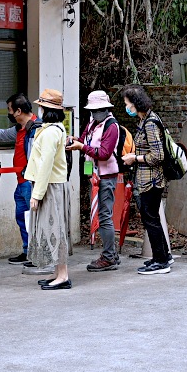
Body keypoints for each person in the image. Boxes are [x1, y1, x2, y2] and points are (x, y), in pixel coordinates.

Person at [0, 93, 41, 267]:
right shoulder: (19, 130)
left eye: (9, 109)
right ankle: (27, 250)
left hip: (31, 183)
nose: (9, 113)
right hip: (21, 182)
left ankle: (36, 253)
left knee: (33, 220)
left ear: (18, 111)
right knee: (22, 218)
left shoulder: (37, 129)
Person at [121, 85, 173, 274]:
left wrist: (135, 158)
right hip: (148, 179)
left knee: (150, 219)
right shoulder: (148, 119)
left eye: (128, 104)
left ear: (135, 104)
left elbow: (157, 155)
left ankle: (160, 261)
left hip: (152, 180)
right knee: (152, 218)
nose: (127, 108)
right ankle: (163, 255)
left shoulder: (150, 123)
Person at [24, 89, 73, 290]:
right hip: (51, 185)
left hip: (51, 186)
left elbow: (45, 164)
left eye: (41, 105)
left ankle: (62, 275)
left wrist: (36, 194)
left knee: (55, 230)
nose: (39, 108)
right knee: (53, 229)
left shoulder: (51, 131)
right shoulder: (53, 129)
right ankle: (58, 272)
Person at [68, 90, 122, 272]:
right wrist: (76, 142)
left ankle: (108, 257)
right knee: (102, 216)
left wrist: (82, 146)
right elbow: (84, 141)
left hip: (106, 178)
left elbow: (104, 153)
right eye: (93, 110)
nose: (95, 113)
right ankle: (111, 254)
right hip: (95, 176)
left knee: (105, 217)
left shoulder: (112, 126)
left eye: (98, 109)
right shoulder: (93, 124)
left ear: (106, 109)